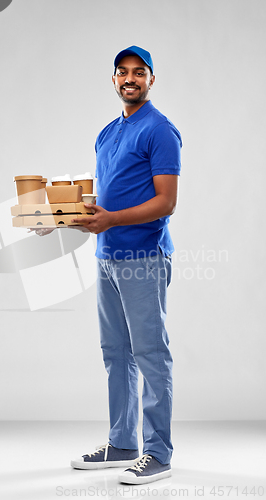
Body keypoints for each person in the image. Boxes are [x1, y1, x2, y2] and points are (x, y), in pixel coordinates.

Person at [70, 45, 182, 485]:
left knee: (150, 354)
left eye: (139, 72)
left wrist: (111, 219)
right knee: (115, 353)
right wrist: (64, 220)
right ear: (114, 80)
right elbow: (108, 198)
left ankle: (158, 452)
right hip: (107, 257)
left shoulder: (160, 130)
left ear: (151, 80)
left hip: (143, 258)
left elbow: (166, 202)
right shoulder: (107, 133)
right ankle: (123, 443)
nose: (129, 79)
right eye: (122, 72)